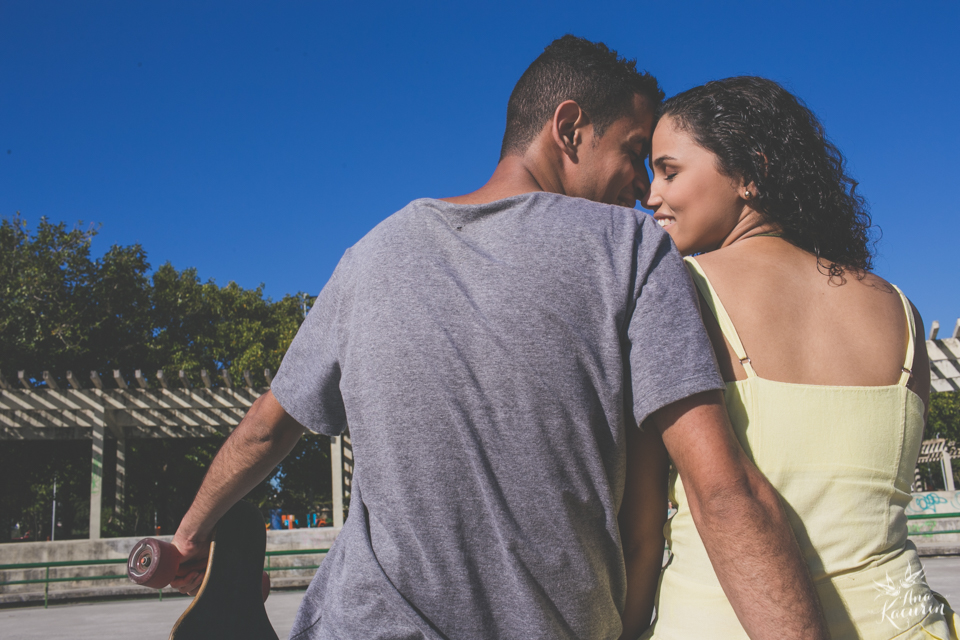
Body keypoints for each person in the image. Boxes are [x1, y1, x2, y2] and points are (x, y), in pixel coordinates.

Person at [169, 40, 828, 639]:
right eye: (633, 153)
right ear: (569, 129)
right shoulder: (630, 252)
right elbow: (717, 491)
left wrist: (190, 537)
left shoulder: (373, 253)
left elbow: (266, 429)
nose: (642, 187)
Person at [628, 76, 960, 639]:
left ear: (750, 173)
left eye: (670, 170)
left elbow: (642, 530)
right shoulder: (898, 309)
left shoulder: (675, 293)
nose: (649, 193)